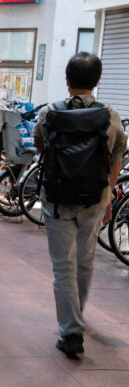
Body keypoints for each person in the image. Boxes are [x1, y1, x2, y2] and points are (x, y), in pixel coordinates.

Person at [34, 53, 126, 355]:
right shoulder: (110, 116)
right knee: (85, 261)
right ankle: (76, 316)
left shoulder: (49, 113)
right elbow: (116, 157)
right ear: (97, 81)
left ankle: (71, 332)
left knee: (63, 267)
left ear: (67, 80)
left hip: (57, 200)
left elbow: (41, 146)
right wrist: (109, 193)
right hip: (95, 199)